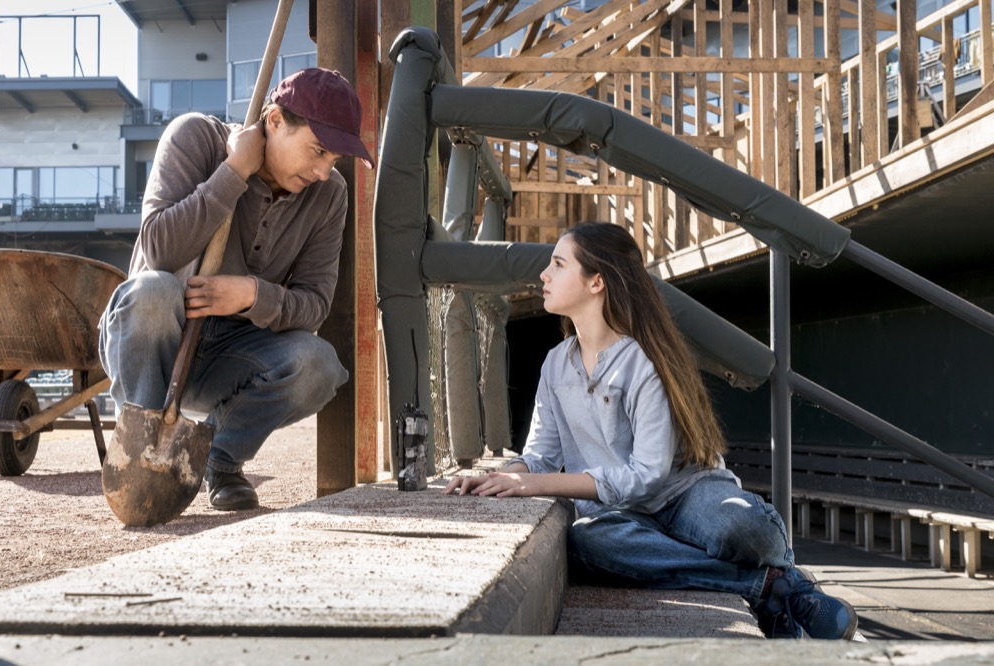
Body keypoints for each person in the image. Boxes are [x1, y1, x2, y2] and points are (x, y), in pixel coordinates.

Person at [443, 222, 858, 640]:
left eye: (558, 264)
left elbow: (647, 476)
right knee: (588, 544)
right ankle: (772, 587)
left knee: (745, 530)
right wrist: (501, 476)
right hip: (618, 513)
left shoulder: (642, 360)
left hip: (685, 493)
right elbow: (540, 456)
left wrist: (534, 484)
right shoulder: (555, 364)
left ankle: (777, 578)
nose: (544, 276)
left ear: (596, 282)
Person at [100, 68, 374, 511]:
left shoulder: (330, 195)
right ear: (275, 121)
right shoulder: (195, 138)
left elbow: (314, 306)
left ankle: (220, 460)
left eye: (335, 158)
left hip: (235, 353)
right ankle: (142, 448)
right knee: (152, 292)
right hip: (156, 336)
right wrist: (234, 170)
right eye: (318, 150)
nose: (325, 171)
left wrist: (251, 294)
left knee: (319, 363)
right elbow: (159, 250)